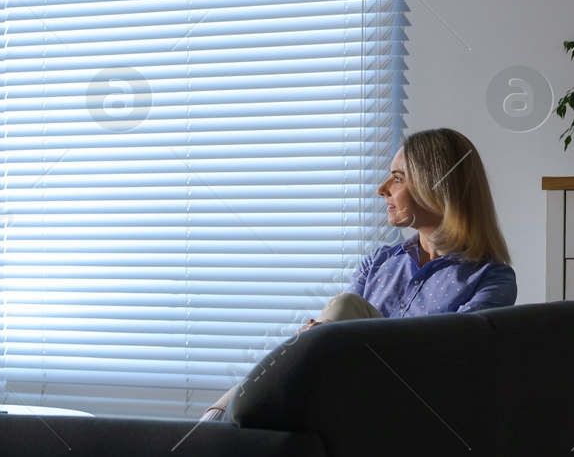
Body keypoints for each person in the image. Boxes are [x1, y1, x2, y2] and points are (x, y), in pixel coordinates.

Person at [203, 128, 516, 420]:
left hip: (414, 404)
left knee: (344, 308)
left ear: (436, 186)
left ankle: (221, 415)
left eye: (397, 179)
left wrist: (327, 336)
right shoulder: (379, 262)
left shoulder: (491, 278)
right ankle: (231, 420)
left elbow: (455, 361)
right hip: (347, 393)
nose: (381, 189)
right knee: (332, 322)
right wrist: (318, 337)